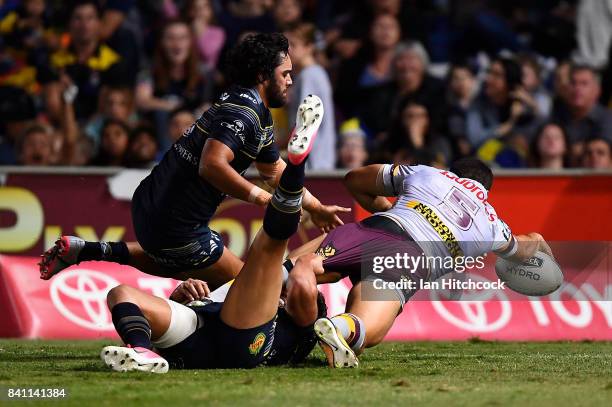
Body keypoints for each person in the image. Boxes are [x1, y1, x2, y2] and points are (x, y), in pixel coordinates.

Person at [39, 33, 348, 290]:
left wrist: (315, 206)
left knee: (173, 259)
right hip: (177, 224)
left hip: (152, 205)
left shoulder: (251, 108)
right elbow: (211, 165)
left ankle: (89, 250)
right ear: (262, 76)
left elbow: (274, 169)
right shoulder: (243, 113)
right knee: (252, 289)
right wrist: (264, 200)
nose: (291, 81)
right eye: (285, 74)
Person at [100, 111, 327, 372]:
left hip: (243, 339)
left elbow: (301, 275)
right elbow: (314, 251)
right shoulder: (259, 289)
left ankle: (296, 165)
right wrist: (178, 298)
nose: (287, 291)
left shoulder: (298, 321)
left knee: (269, 243)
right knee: (120, 293)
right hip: (200, 335)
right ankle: (141, 351)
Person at [290, 158, 555, 368]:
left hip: (377, 229)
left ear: (452, 172)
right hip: (408, 259)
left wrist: (387, 209)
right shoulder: (492, 225)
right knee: (366, 329)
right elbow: (521, 251)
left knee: (300, 267)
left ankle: (283, 276)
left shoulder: (428, 174)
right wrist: (537, 239)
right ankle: (340, 327)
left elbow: (354, 180)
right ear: (486, 192)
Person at [286, 22, 336, 170]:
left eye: (294, 45)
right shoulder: (310, 74)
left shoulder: (310, 75)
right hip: (316, 160)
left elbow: (304, 123)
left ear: (309, 47)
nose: (288, 50)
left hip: (312, 161)